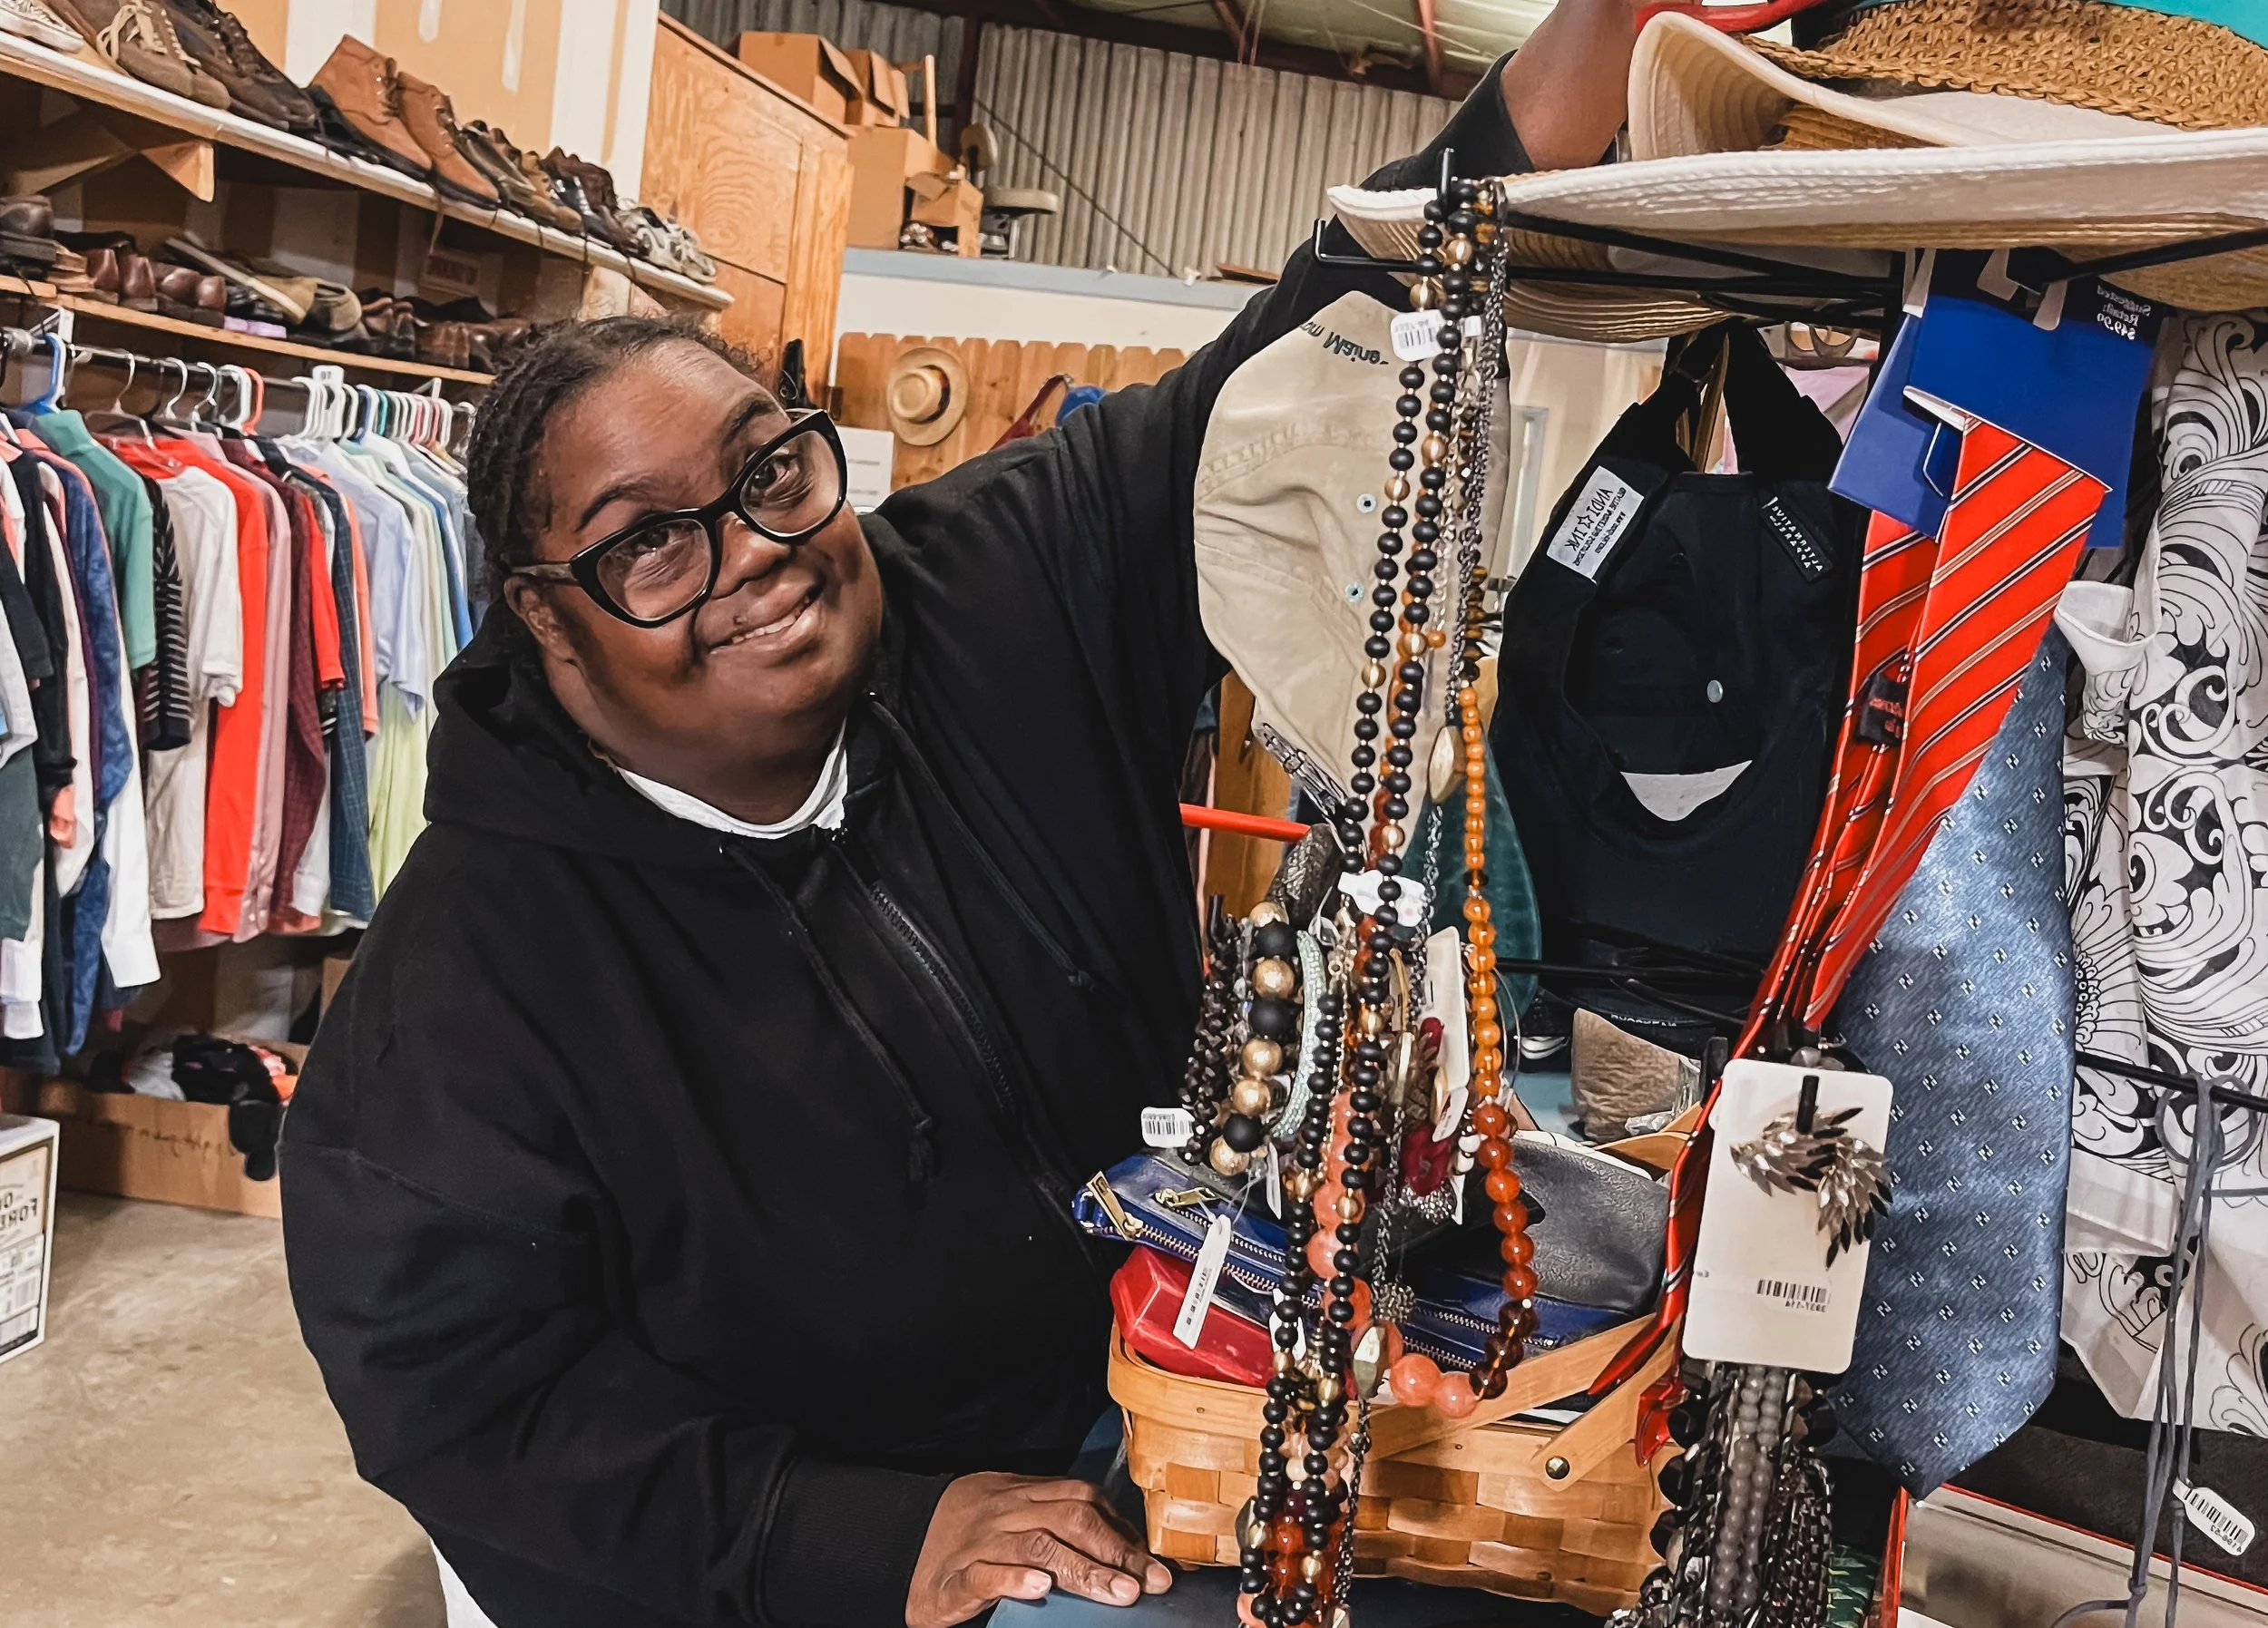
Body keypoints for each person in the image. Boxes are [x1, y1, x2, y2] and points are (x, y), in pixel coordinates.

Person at [279, 9, 1640, 1625]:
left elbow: (1288, 365)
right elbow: (466, 1404)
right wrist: (853, 1535)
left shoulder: (999, 584)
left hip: (1186, 1408)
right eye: (651, 546)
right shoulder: (465, 987)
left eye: (770, 470)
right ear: (543, 619)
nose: (755, 554)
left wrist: (1609, 32)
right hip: (859, 1549)